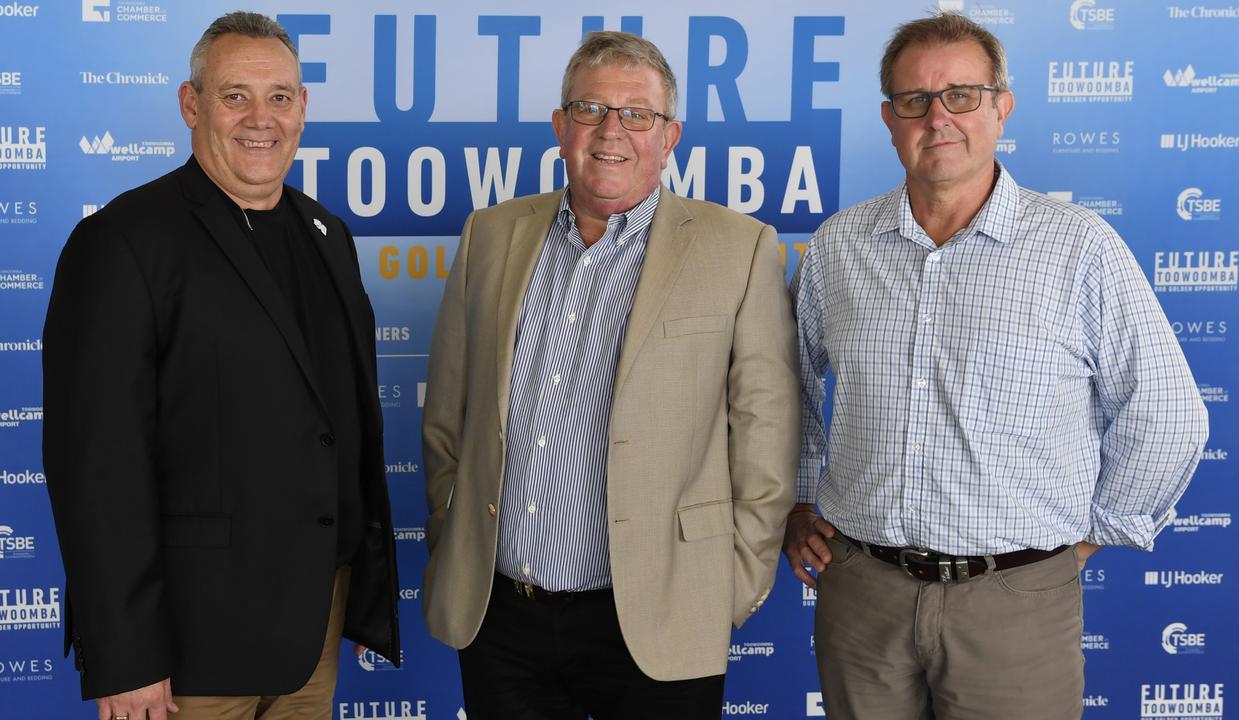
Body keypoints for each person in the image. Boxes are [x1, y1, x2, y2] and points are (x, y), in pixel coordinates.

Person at [785, 12, 1208, 719]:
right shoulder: (839, 246)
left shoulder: (1080, 249)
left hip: (1015, 600)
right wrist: (799, 499)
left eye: (962, 95)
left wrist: (1090, 536)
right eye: (915, 100)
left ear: (1001, 107)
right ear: (889, 117)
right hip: (863, 596)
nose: (938, 117)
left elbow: (1167, 411)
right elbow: (789, 382)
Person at [420, 30, 799, 719]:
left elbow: (766, 444)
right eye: (591, 110)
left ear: (670, 134)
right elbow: (447, 417)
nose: (611, 131)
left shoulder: (740, 249)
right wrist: (453, 535)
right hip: (502, 618)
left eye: (637, 114)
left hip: (662, 618)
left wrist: (726, 590)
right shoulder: (490, 235)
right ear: (561, 125)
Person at [43, 11, 399, 720]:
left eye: (279, 97)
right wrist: (125, 654)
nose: (259, 119)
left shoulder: (328, 235)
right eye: (236, 95)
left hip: (310, 631)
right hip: (189, 647)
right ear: (191, 104)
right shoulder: (122, 242)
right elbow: (96, 466)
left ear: (303, 109)